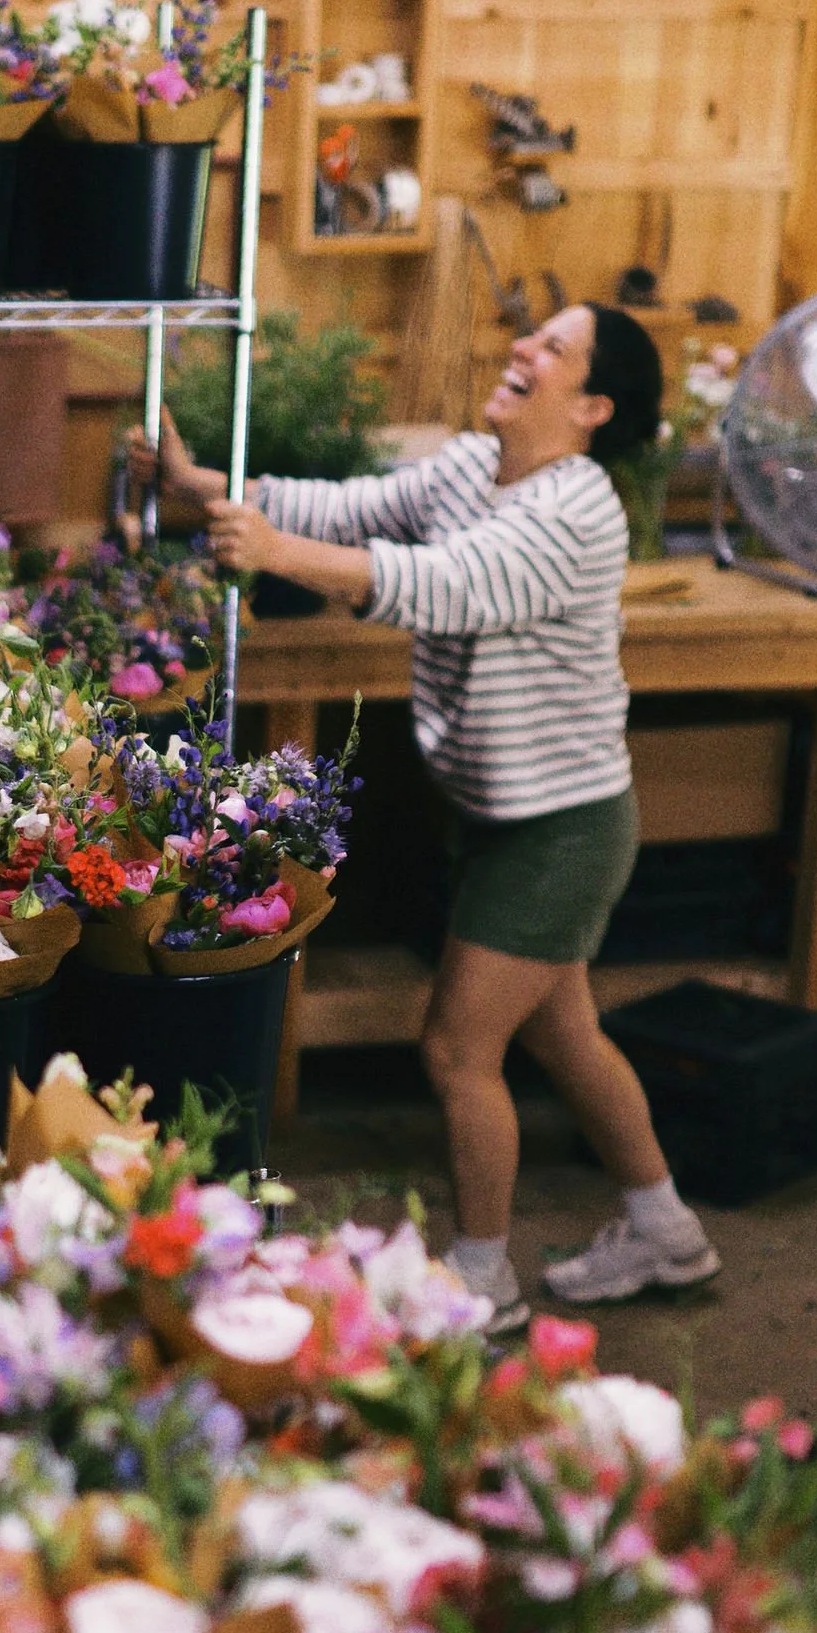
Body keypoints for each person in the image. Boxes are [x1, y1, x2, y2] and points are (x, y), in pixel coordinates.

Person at [129, 302, 719, 1335]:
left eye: (550, 346)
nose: (520, 348)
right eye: (527, 333)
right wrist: (205, 490)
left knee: (454, 1049)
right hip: (510, 815)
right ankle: (665, 1231)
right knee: (565, 1035)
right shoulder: (468, 465)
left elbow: (438, 586)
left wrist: (270, 550)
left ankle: (480, 1284)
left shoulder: (576, 509)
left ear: (589, 406)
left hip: (562, 830)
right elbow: (357, 506)